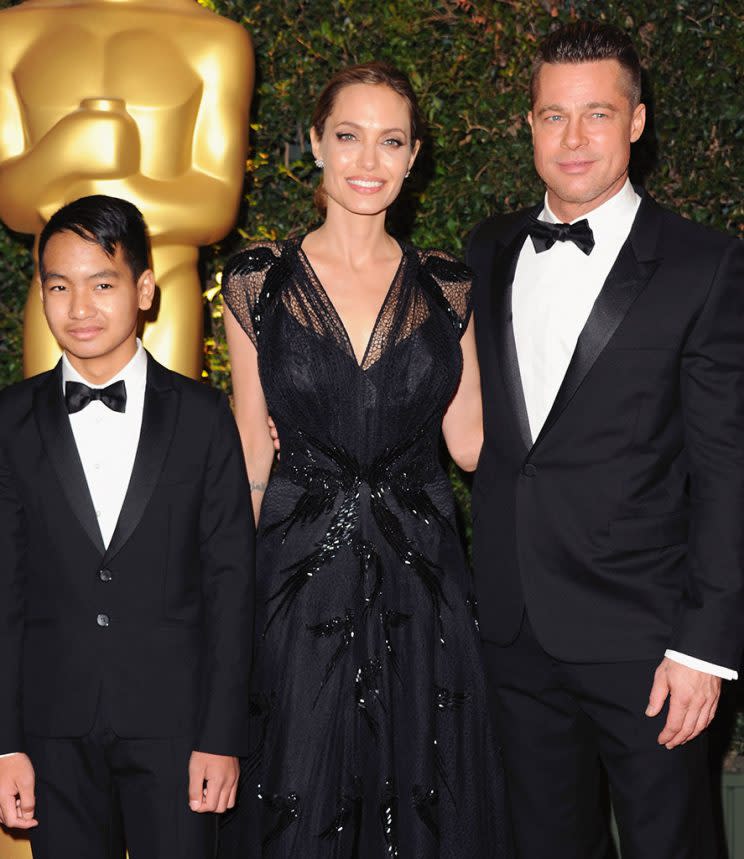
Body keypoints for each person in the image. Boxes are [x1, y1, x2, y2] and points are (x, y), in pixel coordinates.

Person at [466, 20, 744, 859]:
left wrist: (706, 645)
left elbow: (728, 468)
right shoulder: (488, 248)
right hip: (515, 629)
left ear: (636, 121)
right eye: (553, 115)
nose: (573, 137)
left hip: (648, 637)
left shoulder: (708, 265)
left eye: (597, 114)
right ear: (530, 126)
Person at [218, 62, 507, 857]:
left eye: (391, 141)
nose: (368, 160)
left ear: (415, 157)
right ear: (315, 143)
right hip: (292, 580)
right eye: (348, 136)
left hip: (428, 588)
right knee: (295, 796)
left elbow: (473, 442)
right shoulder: (260, 279)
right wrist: (226, 597)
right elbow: (250, 440)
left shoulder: (447, 286)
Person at [0, 194, 255, 859]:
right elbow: (4, 589)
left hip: (177, 728)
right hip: (53, 730)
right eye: (59, 286)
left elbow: (232, 584)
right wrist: (6, 741)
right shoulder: (10, 420)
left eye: (101, 283)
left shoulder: (203, 417)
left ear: (144, 289)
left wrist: (222, 733)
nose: (79, 307)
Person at [0, 0, 253, 379]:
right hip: (59, 296)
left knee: (168, 435)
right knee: (49, 434)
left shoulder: (216, 40)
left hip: (164, 299)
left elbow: (217, 205)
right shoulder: (12, 33)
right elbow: (11, 205)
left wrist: (116, 187)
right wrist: (65, 147)